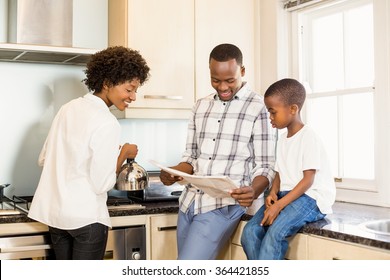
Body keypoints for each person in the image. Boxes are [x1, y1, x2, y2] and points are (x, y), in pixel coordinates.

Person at [28, 46, 150, 260]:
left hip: (56, 218)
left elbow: (44, 159)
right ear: (107, 83)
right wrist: (123, 153)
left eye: (135, 91)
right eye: (129, 89)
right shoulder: (107, 122)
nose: (133, 97)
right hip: (87, 220)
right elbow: (101, 184)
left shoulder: (67, 108)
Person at [159, 43, 275, 260]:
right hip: (189, 203)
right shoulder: (200, 106)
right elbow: (191, 158)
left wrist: (254, 190)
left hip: (223, 206)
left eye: (229, 80)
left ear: (242, 71)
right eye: (215, 80)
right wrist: (173, 172)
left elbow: (266, 165)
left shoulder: (258, 107)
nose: (222, 87)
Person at [241, 78, 336, 260]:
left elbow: (308, 180)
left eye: (273, 112)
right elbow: (279, 172)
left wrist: (278, 206)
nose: (270, 117)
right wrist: (272, 193)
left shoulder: (309, 137)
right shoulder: (283, 139)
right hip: (287, 196)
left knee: (275, 234)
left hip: (312, 198)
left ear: (293, 109)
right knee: (250, 232)